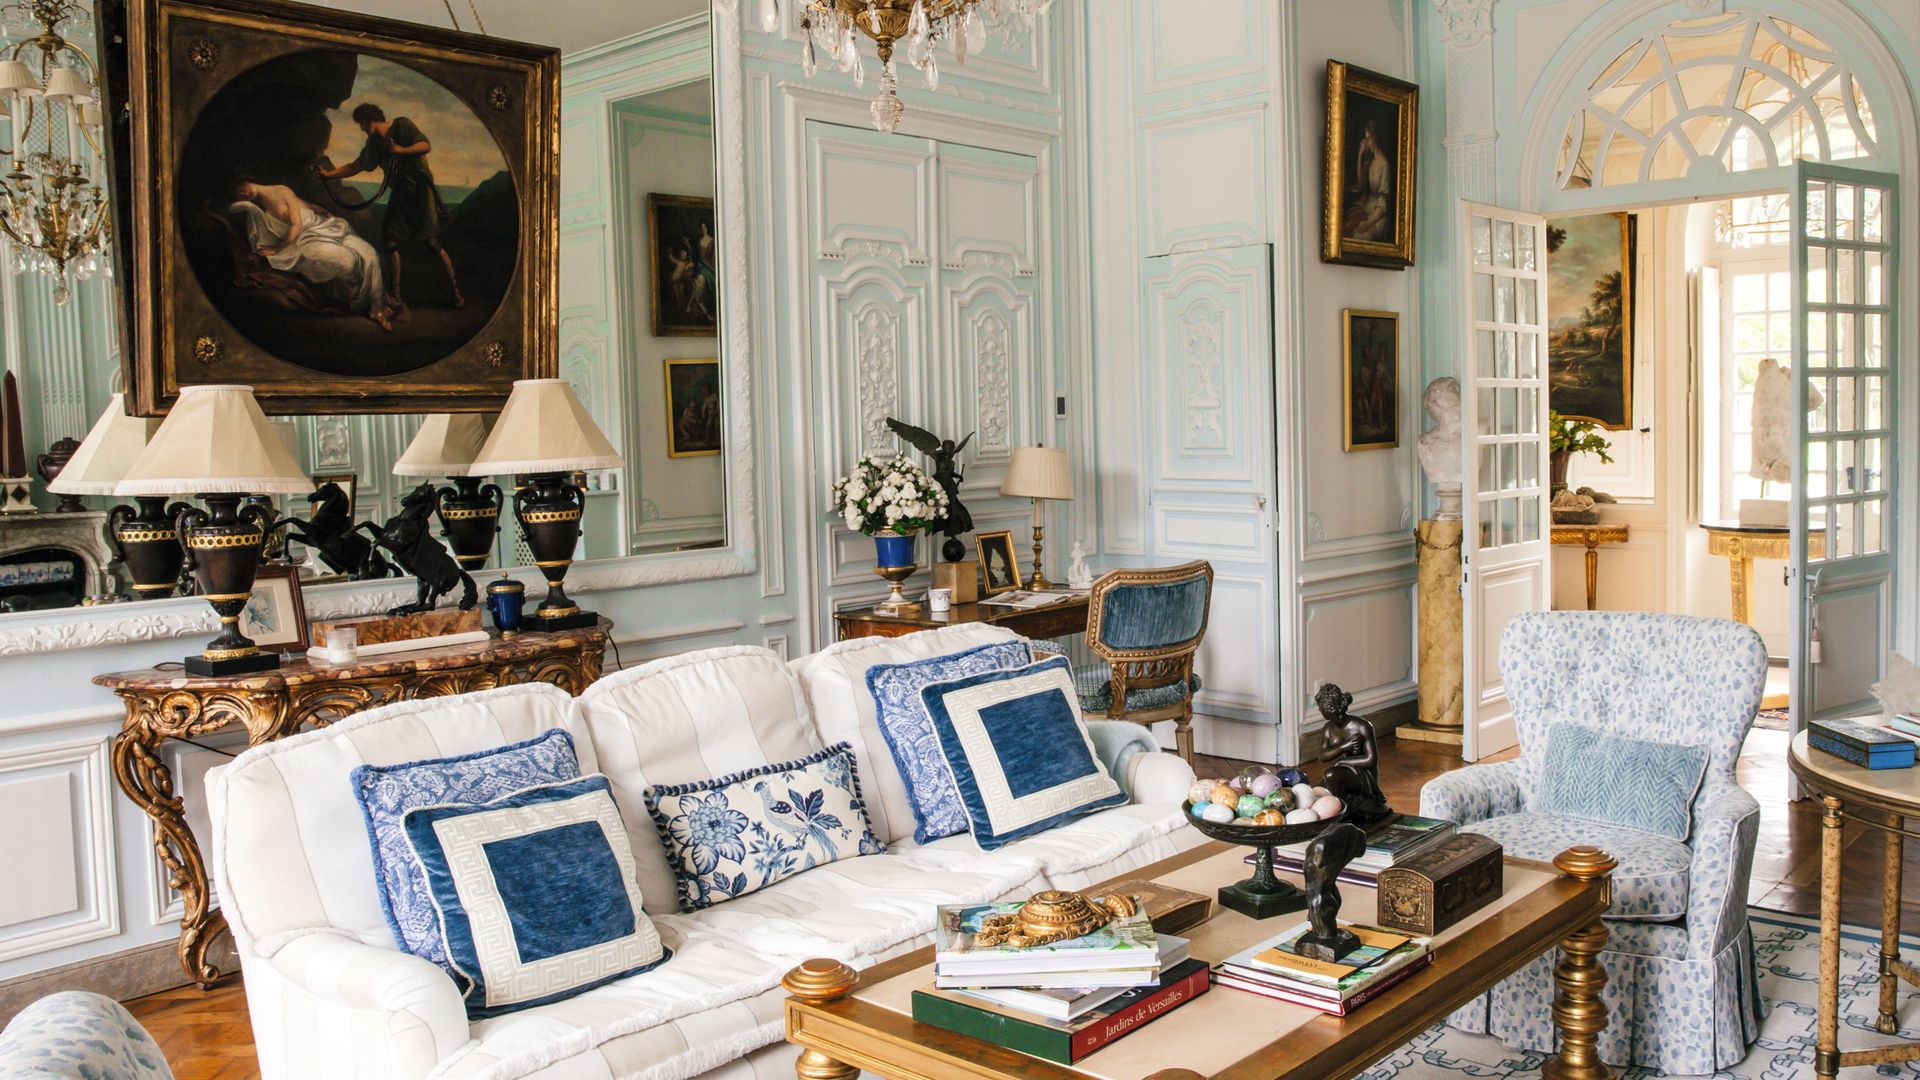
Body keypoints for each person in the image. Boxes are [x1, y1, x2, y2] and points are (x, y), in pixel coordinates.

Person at [314, 103, 465, 311]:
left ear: (370, 120)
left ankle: (456, 293)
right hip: (400, 194)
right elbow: (356, 166)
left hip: (420, 191)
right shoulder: (373, 145)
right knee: (389, 240)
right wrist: (328, 175)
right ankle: (396, 296)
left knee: (430, 242)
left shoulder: (401, 125)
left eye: (362, 124)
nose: (361, 128)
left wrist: (400, 150)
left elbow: (425, 145)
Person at [228, 180, 393, 329]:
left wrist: (278, 249)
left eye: (242, 189)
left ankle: (376, 307)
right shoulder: (257, 209)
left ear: (247, 181)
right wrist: (310, 206)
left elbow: (295, 222)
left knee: (370, 253)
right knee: (347, 262)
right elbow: (295, 207)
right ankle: (370, 306)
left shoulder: (280, 189)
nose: (244, 195)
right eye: (241, 197)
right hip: (307, 237)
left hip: (323, 228)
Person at [1343, 118, 1393, 242]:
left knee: (1358, 237)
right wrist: (1360, 156)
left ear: (1374, 139)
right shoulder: (1370, 160)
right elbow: (1360, 184)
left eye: (1368, 138)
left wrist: (1367, 224)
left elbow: (1382, 205)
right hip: (1366, 207)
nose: (1366, 142)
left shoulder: (1384, 165)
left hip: (1378, 215)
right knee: (1346, 229)